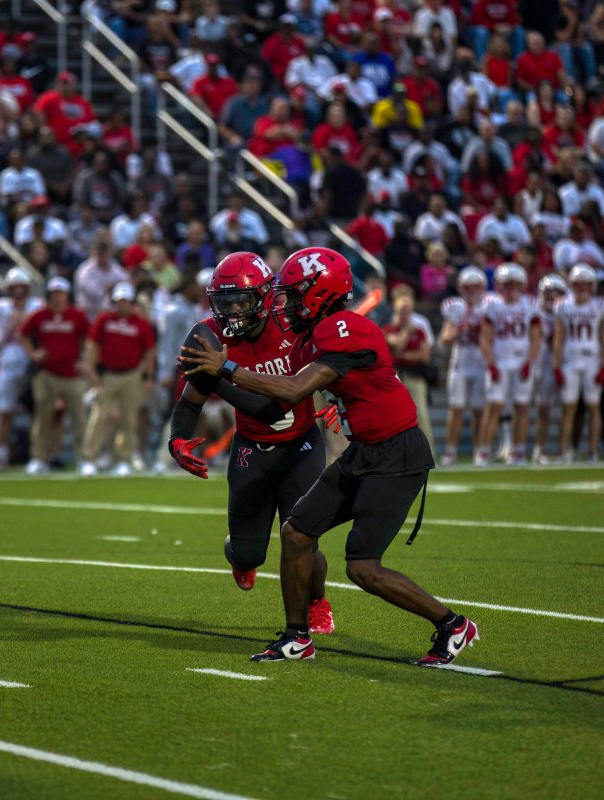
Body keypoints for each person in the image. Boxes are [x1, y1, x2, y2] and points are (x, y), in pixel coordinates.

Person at [180, 247, 478, 665]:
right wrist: (341, 402)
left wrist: (225, 369)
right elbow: (337, 382)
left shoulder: (342, 327)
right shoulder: (314, 334)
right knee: (296, 533)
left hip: (396, 455)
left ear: (318, 294)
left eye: (294, 295)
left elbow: (291, 390)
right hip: (364, 450)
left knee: (363, 567)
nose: (286, 304)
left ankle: (453, 625)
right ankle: (296, 638)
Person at [167, 253, 335, 632]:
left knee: (304, 539)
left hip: (301, 447)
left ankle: (317, 603)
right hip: (251, 450)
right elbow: (191, 401)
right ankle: (242, 556)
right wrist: (177, 440)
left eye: (240, 301)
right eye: (224, 303)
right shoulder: (210, 337)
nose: (232, 312)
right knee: (247, 553)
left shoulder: (293, 322)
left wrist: (337, 399)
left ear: (265, 297)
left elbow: (276, 407)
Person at [79, 282, 156, 477]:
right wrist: (91, 371)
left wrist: (148, 376)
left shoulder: (141, 323)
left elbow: (149, 351)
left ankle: (123, 459)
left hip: (132, 375)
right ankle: (89, 459)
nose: (123, 304)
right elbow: (92, 344)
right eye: (119, 301)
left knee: (128, 420)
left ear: (131, 302)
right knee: (99, 417)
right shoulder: (104, 319)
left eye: (126, 301)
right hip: (107, 375)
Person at [19, 277, 90, 475]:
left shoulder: (77, 315)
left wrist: (84, 359)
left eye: (61, 294)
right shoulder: (40, 315)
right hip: (46, 374)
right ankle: (39, 458)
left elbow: (90, 338)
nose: (57, 298)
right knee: (42, 418)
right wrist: (33, 354)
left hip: (72, 375)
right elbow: (23, 334)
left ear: (67, 296)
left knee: (79, 419)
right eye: (54, 294)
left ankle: (84, 458)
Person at [478, 264, 542, 465]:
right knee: (494, 407)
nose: (510, 288)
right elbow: (485, 338)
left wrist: (529, 362)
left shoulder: (530, 305)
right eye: (507, 284)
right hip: (500, 362)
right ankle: (484, 451)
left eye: (514, 284)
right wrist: (491, 363)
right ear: (499, 285)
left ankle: (518, 451)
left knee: (522, 407)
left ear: (522, 285)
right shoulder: (492, 305)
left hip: (521, 362)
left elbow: (536, 338)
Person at [0, 267, 43, 471]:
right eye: (14, 287)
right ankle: (0, 455)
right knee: (4, 411)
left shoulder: (38, 306)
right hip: (8, 363)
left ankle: (37, 455)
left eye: (22, 287)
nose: (18, 291)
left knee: (35, 410)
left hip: (31, 364)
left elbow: (42, 334)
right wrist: (11, 327)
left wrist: (25, 322)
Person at [553, 265, 604, 463]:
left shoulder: (600, 305)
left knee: (593, 406)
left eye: (585, 284)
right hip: (570, 360)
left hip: (592, 360)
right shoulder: (563, 304)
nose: (581, 288)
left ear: (592, 285)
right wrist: (556, 366)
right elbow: (559, 338)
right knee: (568, 407)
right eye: (578, 284)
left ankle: (593, 451)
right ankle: (564, 451)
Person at [439, 267, 489, 464]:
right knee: (456, 408)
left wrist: (479, 328)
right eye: (468, 287)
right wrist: (459, 329)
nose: (472, 291)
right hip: (460, 364)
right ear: (461, 288)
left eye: (476, 287)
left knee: (479, 410)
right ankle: (450, 451)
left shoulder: (489, 305)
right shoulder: (454, 307)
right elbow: (444, 338)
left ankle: (480, 450)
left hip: (481, 364)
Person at [383, 288, 435, 446]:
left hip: (414, 376)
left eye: (408, 309)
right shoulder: (388, 329)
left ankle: (427, 451)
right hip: (395, 378)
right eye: (402, 309)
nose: (405, 313)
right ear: (396, 310)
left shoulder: (419, 331)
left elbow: (425, 356)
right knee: (393, 417)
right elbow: (397, 345)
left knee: (421, 415)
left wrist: (402, 356)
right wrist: (406, 332)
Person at [532, 273, 568, 464]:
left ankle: (563, 449)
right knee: (540, 409)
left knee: (563, 408)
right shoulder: (534, 311)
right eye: (548, 292)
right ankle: (536, 448)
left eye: (557, 293)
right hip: (538, 363)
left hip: (561, 364)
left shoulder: (566, 311)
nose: (552, 296)